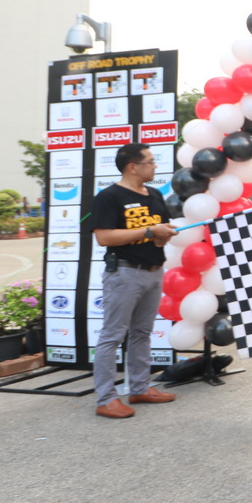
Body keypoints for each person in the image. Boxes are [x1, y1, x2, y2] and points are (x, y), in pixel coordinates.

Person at [90, 143, 178, 418]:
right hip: (125, 273)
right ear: (133, 167)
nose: (155, 166)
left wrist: (163, 235)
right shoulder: (109, 196)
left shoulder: (155, 194)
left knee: (142, 333)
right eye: (150, 161)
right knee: (112, 335)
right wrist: (150, 231)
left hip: (154, 271)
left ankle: (140, 388)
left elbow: (159, 232)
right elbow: (104, 237)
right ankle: (106, 399)